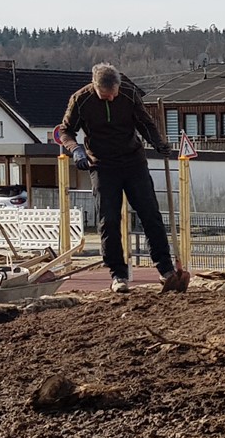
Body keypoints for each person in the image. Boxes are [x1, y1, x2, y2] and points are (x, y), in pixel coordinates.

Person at [60, 63, 178, 293]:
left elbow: (145, 123)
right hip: (102, 165)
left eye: (114, 93)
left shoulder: (128, 93)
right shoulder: (80, 100)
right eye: (106, 95)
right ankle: (118, 275)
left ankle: (166, 269)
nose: (112, 98)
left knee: (150, 214)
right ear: (95, 87)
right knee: (109, 220)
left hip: (133, 162)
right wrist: (76, 149)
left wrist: (158, 142)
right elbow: (66, 131)